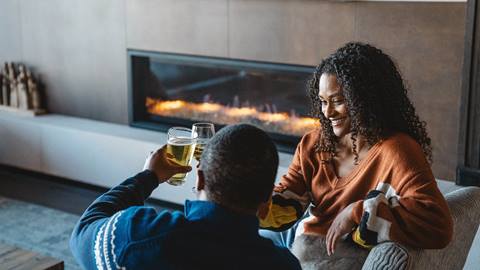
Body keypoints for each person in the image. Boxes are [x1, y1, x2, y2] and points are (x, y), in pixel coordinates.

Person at [259, 42, 453, 256]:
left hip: (332, 258)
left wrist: (357, 211)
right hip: (300, 238)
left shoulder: (397, 150)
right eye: (323, 102)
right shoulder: (313, 143)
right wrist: (250, 200)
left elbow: (438, 226)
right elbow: (289, 200)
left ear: (367, 99)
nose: (328, 112)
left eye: (338, 101)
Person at [70, 124, 301, 270]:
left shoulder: (140, 236)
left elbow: (83, 231)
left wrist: (148, 176)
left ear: (199, 179)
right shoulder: (284, 265)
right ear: (268, 198)